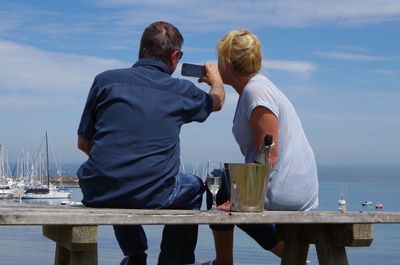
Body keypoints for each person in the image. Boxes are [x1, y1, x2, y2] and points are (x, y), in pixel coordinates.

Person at [76, 21, 225, 265]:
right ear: (175, 57)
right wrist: (215, 80)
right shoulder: (180, 90)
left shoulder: (105, 81)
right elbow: (216, 102)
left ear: (141, 49)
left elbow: (83, 143)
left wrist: (120, 166)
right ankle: (173, 261)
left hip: (97, 190)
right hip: (155, 191)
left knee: (119, 180)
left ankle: (135, 255)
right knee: (194, 187)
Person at [204, 29, 319, 265]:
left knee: (216, 183)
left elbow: (270, 152)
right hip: (293, 188)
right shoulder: (256, 88)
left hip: (284, 191)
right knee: (225, 186)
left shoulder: (257, 91)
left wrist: (239, 201)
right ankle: (294, 258)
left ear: (225, 62)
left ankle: (223, 262)